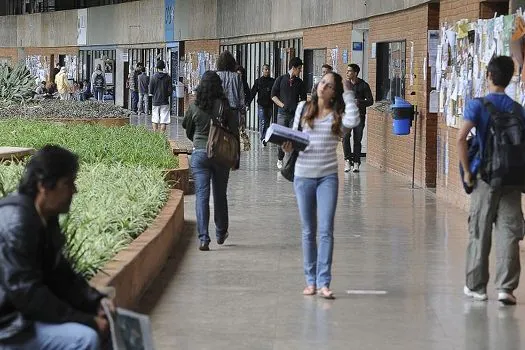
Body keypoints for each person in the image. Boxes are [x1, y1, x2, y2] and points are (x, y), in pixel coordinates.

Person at [0, 145, 115, 349]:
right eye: (68, 183)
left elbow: (61, 273)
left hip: (24, 315)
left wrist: (95, 302)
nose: (74, 191)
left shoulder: (45, 217)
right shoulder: (16, 222)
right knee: (84, 338)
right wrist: (85, 320)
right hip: (9, 325)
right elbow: (26, 292)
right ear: (44, 185)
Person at [282, 72, 359, 299]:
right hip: (303, 175)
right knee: (308, 230)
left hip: (327, 177)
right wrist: (288, 147)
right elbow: (294, 138)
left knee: (326, 230)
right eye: (322, 82)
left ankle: (324, 282)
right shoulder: (303, 109)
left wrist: (349, 92)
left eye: (328, 85)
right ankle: (310, 281)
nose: (322, 86)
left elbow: (354, 120)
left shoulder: (338, 116)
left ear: (334, 92)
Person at [457, 56, 525, 305]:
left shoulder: (478, 105)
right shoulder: (518, 109)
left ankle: (476, 286)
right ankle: (506, 288)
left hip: (485, 178)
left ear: (488, 75)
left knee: (480, 229)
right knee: (509, 232)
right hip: (512, 178)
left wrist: (467, 171)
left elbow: (461, 139)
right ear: (510, 78)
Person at [182, 71, 239, 251]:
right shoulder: (224, 106)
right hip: (220, 155)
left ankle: (204, 238)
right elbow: (234, 131)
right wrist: (235, 156)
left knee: (202, 195)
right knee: (220, 194)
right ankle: (221, 232)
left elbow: (187, 128)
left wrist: (199, 143)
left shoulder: (194, 106)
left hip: (199, 154)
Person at [271, 57, 307, 169]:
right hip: (282, 114)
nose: (300, 71)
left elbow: (304, 99)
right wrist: (282, 105)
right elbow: (273, 95)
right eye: (299, 69)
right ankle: (280, 158)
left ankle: (290, 163)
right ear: (294, 68)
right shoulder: (280, 79)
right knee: (282, 138)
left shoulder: (300, 82)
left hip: (294, 116)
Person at [342, 63, 373, 173]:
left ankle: (356, 162)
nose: (347, 73)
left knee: (357, 139)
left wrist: (359, 102)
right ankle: (347, 160)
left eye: (349, 71)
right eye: (347, 71)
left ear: (355, 73)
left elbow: (370, 101)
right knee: (345, 137)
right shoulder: (345, 85)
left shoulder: (364, 85)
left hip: (359, 116)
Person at [248, 64, 275, 145]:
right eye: (265, 69)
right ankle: (263, 138)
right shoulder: (258, 81)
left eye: (268, 69)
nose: (267, 71)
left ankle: (265, 137)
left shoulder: (273, 81)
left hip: (270, 105)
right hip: (261, 105)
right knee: (263, 120)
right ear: (262, 70)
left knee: (267, 122)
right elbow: (253, 93)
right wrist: (248, 103)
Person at [216, 51, 245, 126]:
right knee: (232, 134)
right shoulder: (237, 77)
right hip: (233, 110)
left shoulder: (216, 75)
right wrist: (242, 113)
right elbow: (241, 96)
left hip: (219, 109)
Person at [148, 60, 172, 133]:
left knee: (155, 119)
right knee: (163, 120)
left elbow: (150, 91)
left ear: (157, 67)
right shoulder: (168, 77)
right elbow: (170, 91)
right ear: (164, 67)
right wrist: (166, 95)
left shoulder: (153, 77)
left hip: (155, 101)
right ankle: (162, 135)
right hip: (165, 101)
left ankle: (155, 134)